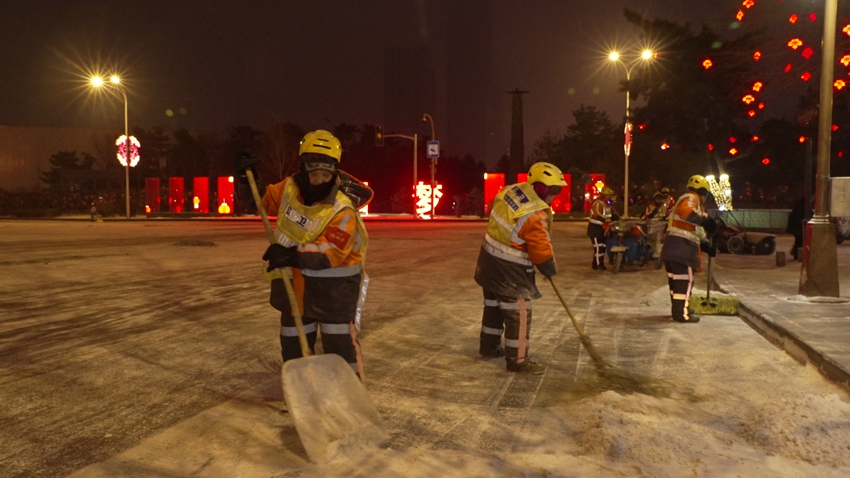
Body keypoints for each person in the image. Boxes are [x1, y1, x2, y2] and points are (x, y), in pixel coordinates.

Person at [236, 129, 374, 378]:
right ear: (304, 170)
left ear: (334, 173)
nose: (319, 180)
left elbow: (329, 251)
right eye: (314, 174)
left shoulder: (342, 209)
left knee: (338, 346)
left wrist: (289, 255)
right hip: (295, 286)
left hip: (334, 292)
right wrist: (249, 179)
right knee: (293, 343)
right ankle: (303, 393)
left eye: (325, 174)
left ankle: (348, 395)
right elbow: (262, 201)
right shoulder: (289, 188)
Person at [474, 162, 566, 374]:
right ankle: (517, 361)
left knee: (493, 306)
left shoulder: (510, 191)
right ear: (539, 186)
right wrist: (549, 269)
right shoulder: (535, 214)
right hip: (509, 270)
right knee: (519, 312)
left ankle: (488, 347)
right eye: (551, 190)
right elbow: (541, 251)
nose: (553, 196)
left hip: (488, 261)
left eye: (557, 190)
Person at [660, 175, 718, 323]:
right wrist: (706, 219)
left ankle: (680, 308)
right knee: (685, 282)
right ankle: (682, 314)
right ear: (703, 192)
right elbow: (687, 213)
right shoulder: (691, 198)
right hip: (682, 249)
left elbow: (693, 228)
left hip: (671, 248)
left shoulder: (688, 200)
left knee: (676, 283)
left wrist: (705, 243)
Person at [587, 186, 618, 270]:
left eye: (610, 195)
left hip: (604, 228)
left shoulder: (608, 204)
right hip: (595, 228)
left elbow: (610, 214)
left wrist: (615, 217)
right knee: (598, 248)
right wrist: (606, 219)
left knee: (603, 247)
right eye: (607, 195)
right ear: (603, 195)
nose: (609, 196)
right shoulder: (598, 203)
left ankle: (597, 263)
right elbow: (597, 214)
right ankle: (598, 265)